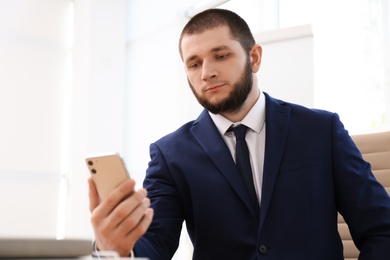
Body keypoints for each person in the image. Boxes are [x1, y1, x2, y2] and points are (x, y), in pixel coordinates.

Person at [88, 8, 390, 260]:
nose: (206, 72)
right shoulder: (171, 154)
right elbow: (154, 244)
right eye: (194, 63)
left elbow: (382, 229)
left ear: (254, 58)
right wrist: (114, 249)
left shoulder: (320, 131)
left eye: (220, 56)